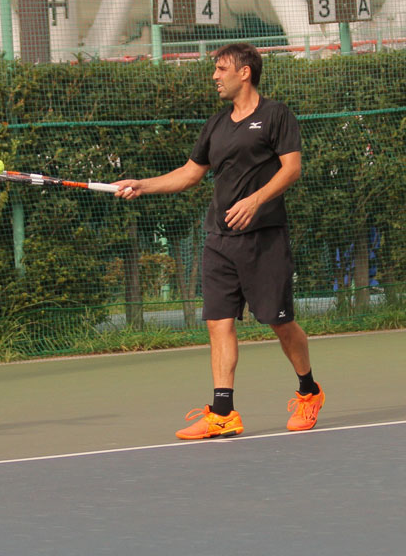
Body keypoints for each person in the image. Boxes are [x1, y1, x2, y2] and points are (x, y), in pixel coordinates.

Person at [113, 43, 325, 440]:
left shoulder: (276, 115)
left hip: (264, 238)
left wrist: (256, 200)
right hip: (220, 239)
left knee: (279, 322)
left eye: (221, 68)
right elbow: (190, 174)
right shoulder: (216, 124)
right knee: (218, 322)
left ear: (245, 72)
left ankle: (309, 391)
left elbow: (291, 169)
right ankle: (223, 413)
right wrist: (142, 184)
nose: (214, 76)